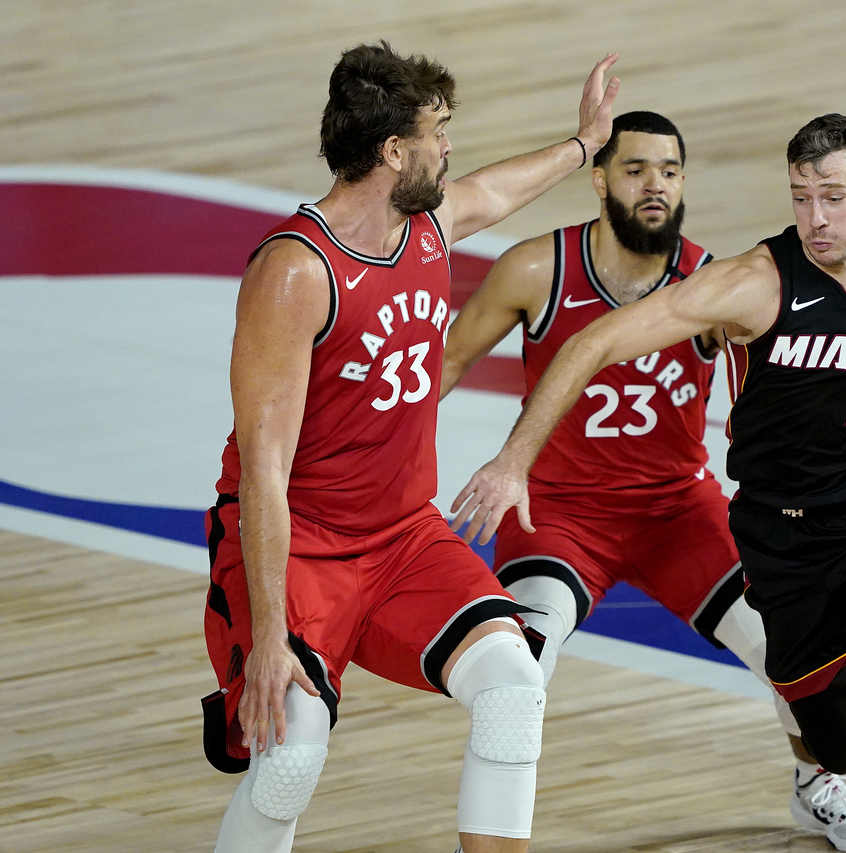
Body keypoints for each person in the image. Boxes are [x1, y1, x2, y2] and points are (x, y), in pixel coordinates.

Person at [451, 113, 846, 853]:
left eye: (833, 198)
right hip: (760, 535)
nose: (816, 217)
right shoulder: (747, 283)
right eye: (801, 197)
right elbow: (593, 341)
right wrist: (514, 456)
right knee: (835, 739)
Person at [198, 41, 620, 853]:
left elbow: (493, 191)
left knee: (512, 684)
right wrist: (270, 634)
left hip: (402, 538)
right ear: (393, 151)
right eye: (439, 131)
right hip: (299, 549)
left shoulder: (425, 224)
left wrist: (583, 146)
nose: (449, 147)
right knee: (291, 760)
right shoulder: (297, 272)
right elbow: (264, 473)